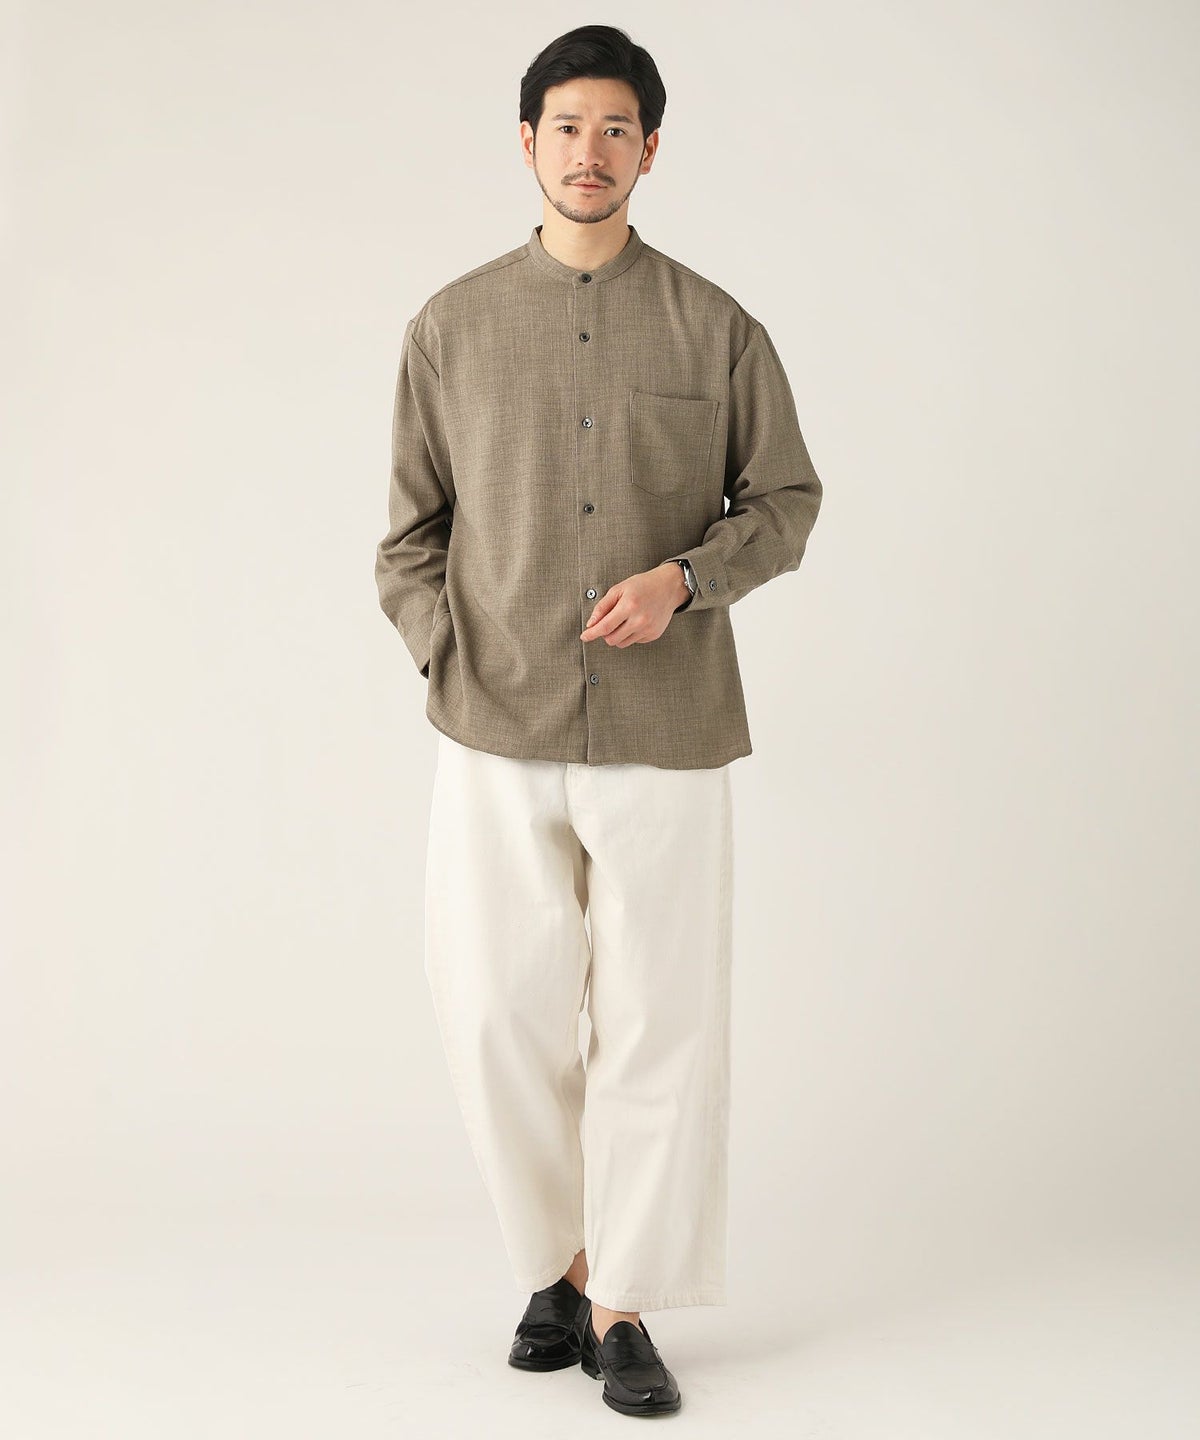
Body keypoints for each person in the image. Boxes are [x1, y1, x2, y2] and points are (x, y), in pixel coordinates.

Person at [375, 23, 823, 1418]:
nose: (590, 150)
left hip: (666, 725)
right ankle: (556, 1267)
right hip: (492, 723)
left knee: (658, 1021)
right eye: (567, 126)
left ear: (650, 149)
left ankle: (623, 1302)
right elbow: (407, 540)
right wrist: (451, 656)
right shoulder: (450, 327)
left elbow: (787, 502)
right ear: (528, 142)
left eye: (616, 128)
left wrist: (686, 580)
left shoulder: (717, 328)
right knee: (496, 1011)